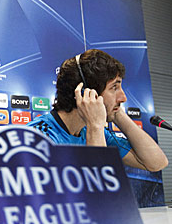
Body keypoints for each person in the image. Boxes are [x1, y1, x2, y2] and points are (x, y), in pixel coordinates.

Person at [27, 49, 167, 172]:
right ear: (86, 93)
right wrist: (95, 126)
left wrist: (118, 115)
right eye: (114, 87)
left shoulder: (94, 132)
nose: (123, 97)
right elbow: (99, 192)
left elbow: (156, 163)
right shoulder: (38, 137)